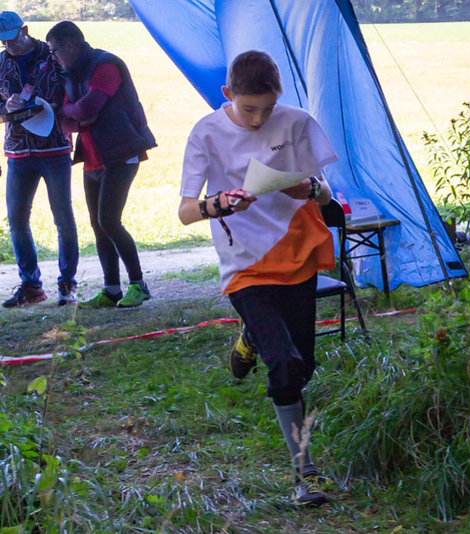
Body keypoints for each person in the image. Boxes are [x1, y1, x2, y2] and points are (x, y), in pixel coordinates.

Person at [178, 50, 337, 507]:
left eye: (267, 109)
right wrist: (219, 203)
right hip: (244, 262)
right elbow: (187, 211)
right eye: (249, 109)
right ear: (228, 95)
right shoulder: (206, 132)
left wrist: (306, 187)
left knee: (301, 367)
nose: (258, 118)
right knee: (284, 363)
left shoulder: (297, 122)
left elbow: (325, 192)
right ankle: (305, 473)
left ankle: (249, 339)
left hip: (297, 250)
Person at [46, 21, 156, 309]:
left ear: (69, 45)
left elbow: (86, 109)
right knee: (98, 224)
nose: (54, 58)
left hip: (121, 151)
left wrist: (74, 112)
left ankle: (138, 284)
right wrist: (73, 113)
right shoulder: (73, 73)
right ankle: (111, 290)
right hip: (93, 157)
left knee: (109, 220)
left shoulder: (106, 65)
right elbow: (68, 121)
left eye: (54, 51)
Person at [0, 11, 79, 308]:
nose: (11, 46)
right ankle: (31, 286)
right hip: (18, 151)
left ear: (26, 30)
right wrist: (6, 105)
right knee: (17, 221)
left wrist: (56, 106)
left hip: (55, 148)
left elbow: (74, 89)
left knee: (63, 218)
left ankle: (67, 283)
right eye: (5, 42)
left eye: (14, 39)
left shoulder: (52, 54)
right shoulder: (0, 61)